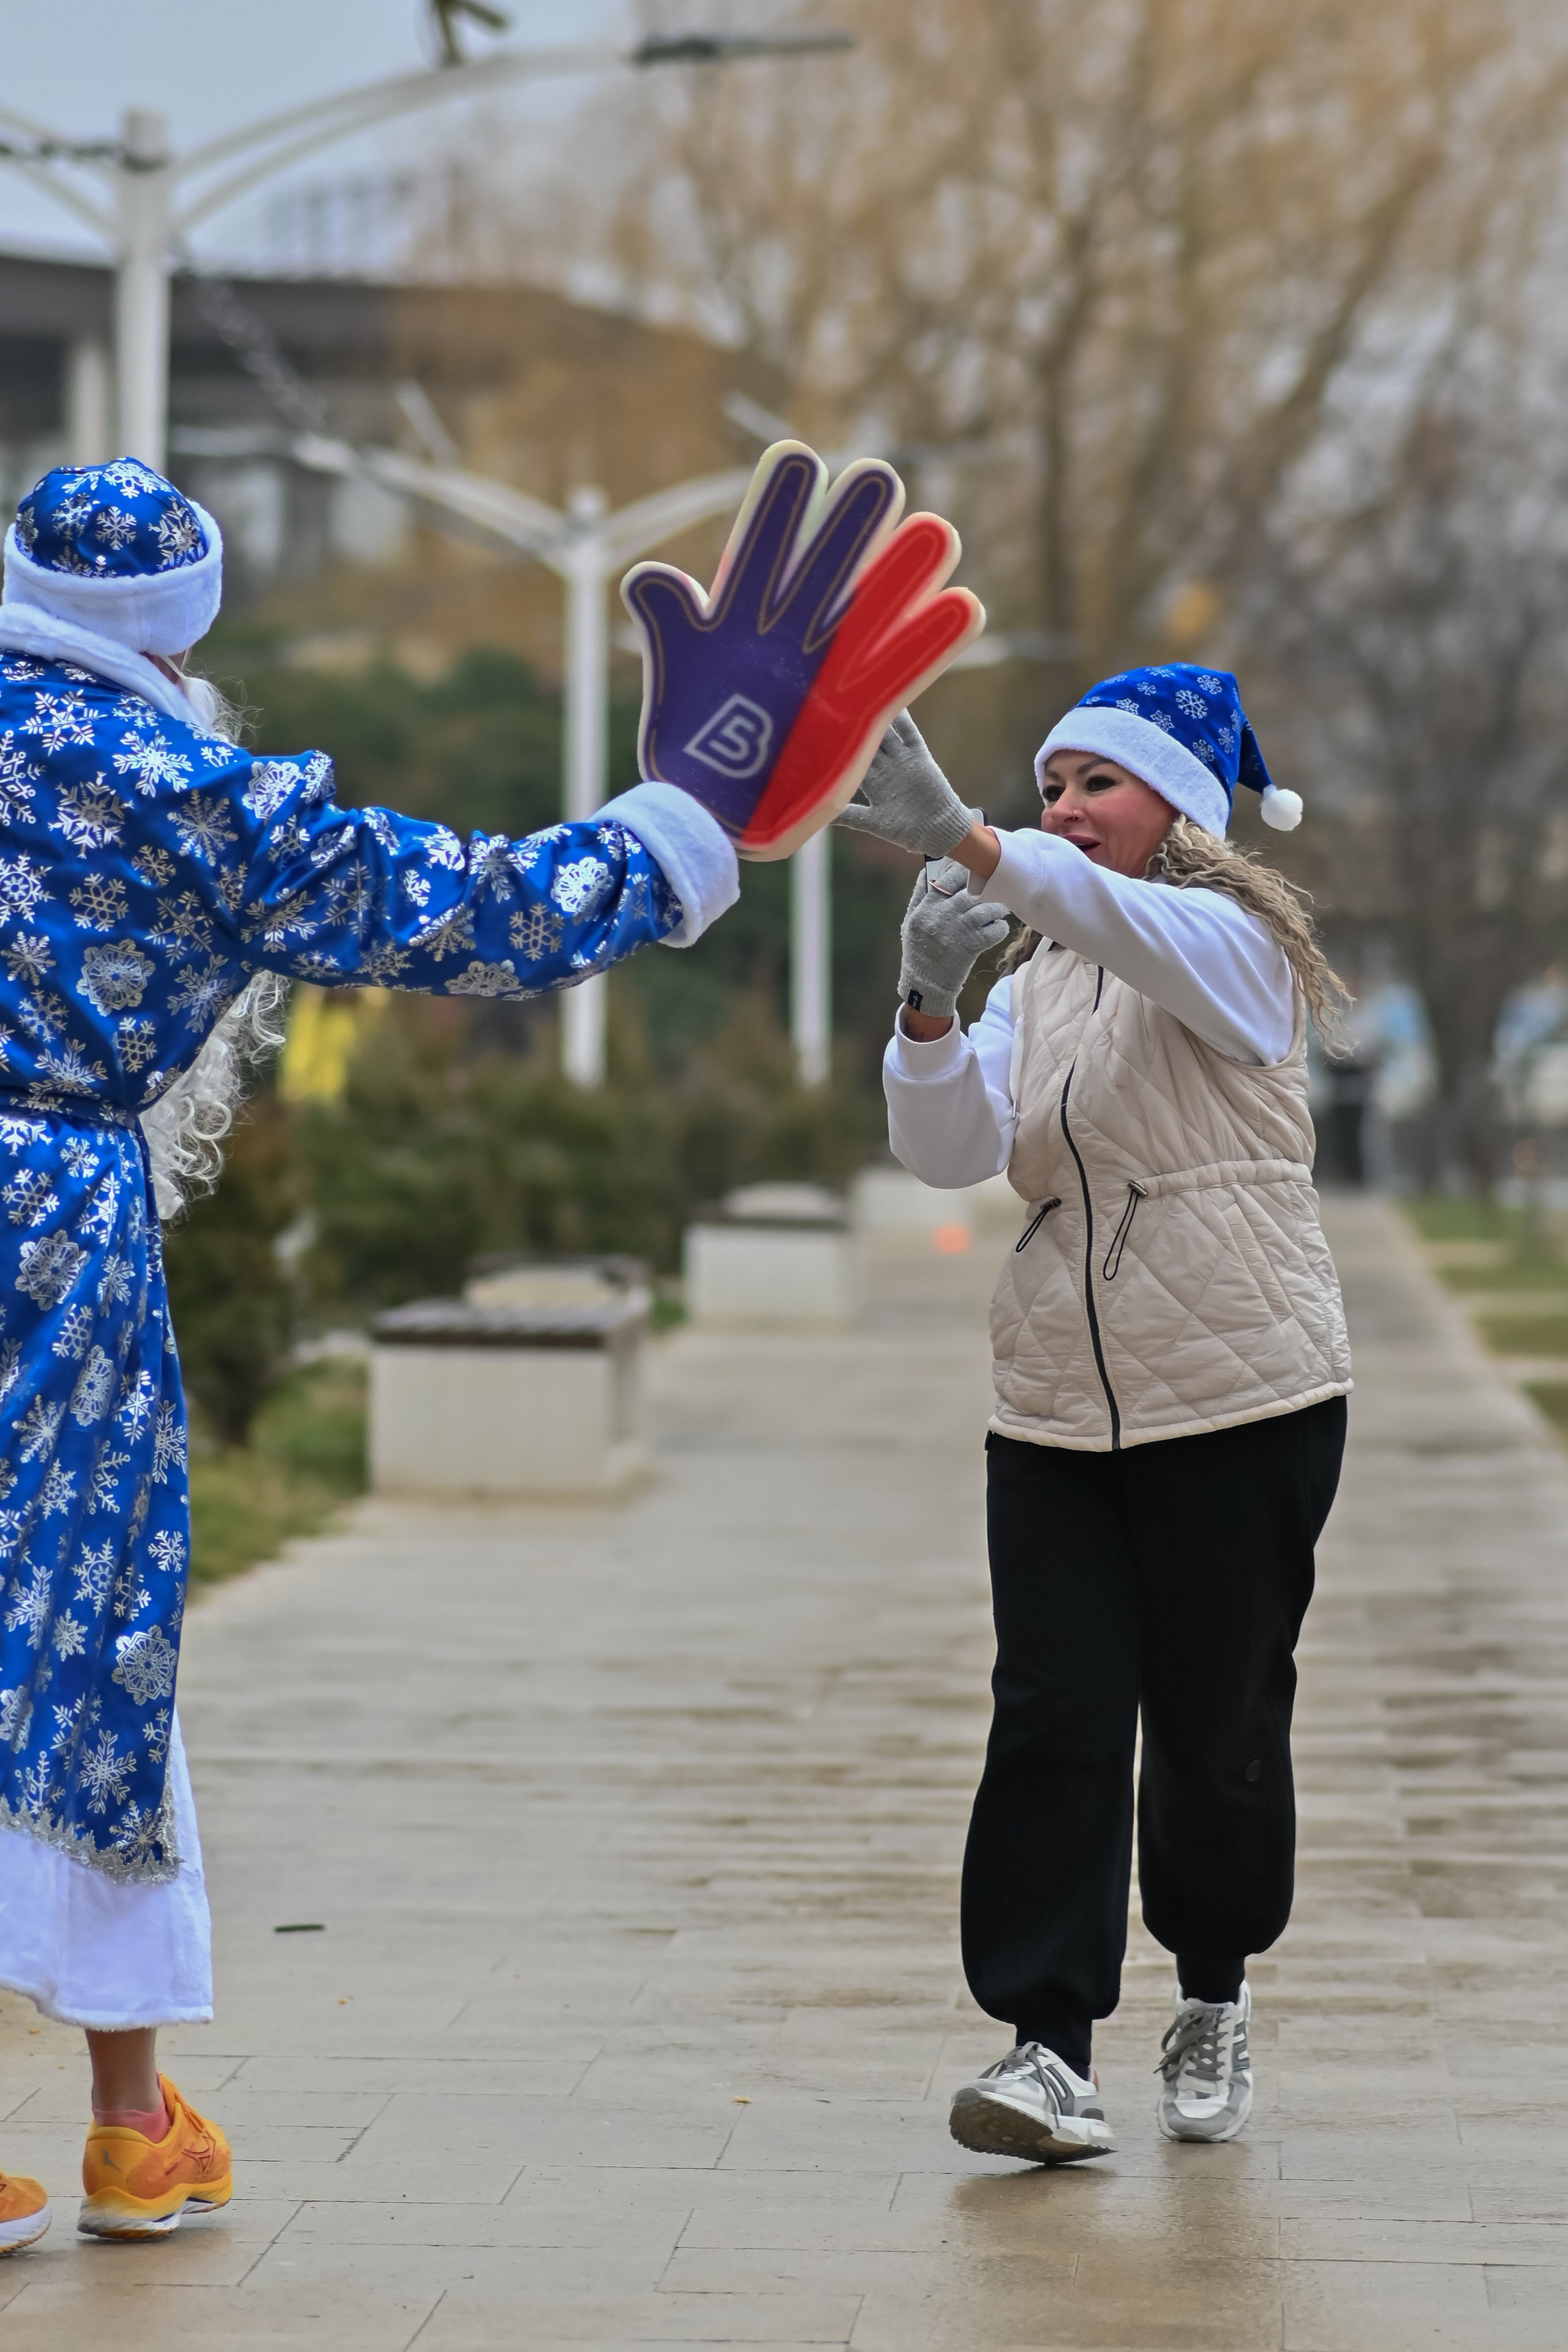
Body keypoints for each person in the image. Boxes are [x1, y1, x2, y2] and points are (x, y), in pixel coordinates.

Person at [0, 459, 742, 2253]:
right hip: (52, 1242)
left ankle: (129, 2122)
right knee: (81, 1632)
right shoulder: (191, 790)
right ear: (182, 628)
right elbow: (468, 912)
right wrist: (680, 826)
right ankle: (123, 2123)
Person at [837, 669, 1351, 2163]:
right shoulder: (1050, 969)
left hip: (1243, 1387)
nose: (1060, 808)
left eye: (1091, 786)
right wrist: (928, 1008)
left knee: (1214, 1725)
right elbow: (948, 1157)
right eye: (1048, 786)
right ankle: (1044, 2048)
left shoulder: (1238, 942)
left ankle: (1212, 1988)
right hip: (1056, 1395)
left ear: (1173, 802)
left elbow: (1143, 930)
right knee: (1052, 1715)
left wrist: (989, 849)